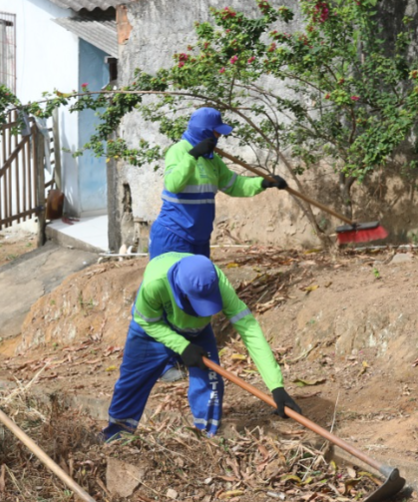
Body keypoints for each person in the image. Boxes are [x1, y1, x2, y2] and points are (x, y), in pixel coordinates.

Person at [102, 252, 302, 442]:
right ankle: (117, 437)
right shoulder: (155, 284)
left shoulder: (217, 282)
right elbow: (145, 321)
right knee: (132, 382)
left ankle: (206, 440)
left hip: (196, 331)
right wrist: (181, 346)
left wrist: (276, 386)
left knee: (210, 384)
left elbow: (249, 329)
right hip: (151, 327)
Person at [147, 107, 288, 259]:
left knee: (200, 282)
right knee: (165, 282)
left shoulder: (213, 159)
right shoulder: (178, 151)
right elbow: (173, 184)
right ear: (204, 132)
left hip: (199, 238)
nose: (220, 136)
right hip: (174, 234)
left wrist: (264, 182)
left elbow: (234, 185)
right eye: (217, 132)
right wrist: (193, 155)